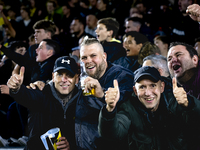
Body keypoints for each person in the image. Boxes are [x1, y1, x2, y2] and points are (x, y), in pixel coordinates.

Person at [98, 66, 200, 150]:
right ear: (135, 90)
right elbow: (112, 134)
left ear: (162, 87)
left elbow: (195, 127)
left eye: (152, 86)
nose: (148, 93)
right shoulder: (128, 107)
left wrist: (189, 105)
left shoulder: (176, 101)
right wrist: (109, 110)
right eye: (142, 87)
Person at [7, 56, 79, 150]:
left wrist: (71, 146)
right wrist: (16, 88)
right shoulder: (41, 92)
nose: (64, 79)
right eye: (60, 75)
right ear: (53, 76)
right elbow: (26, 95)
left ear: (77, 79)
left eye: (69, 75)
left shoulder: (82, 100)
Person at [79, 36, 134, 149]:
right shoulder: (82, 78)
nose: (88, 61)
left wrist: (102, 95)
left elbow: (125, 104)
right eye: (84, 58)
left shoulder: (122, 75)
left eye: (93, 56)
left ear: (104, 57)